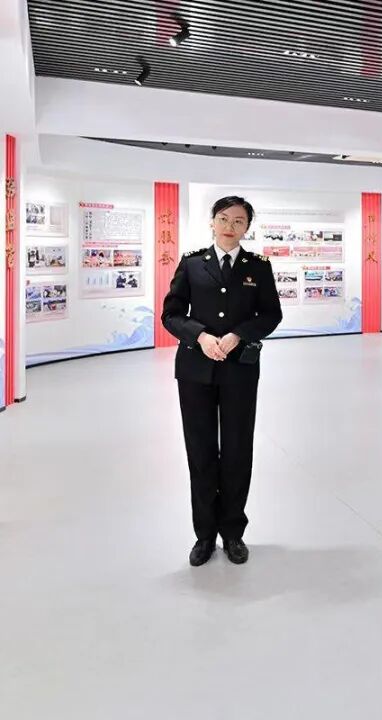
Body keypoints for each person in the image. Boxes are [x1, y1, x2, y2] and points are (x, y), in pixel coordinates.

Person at [162, 196, 282, 567]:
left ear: (248, 227)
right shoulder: (192, 263)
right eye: (224, 218)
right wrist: (199, 336)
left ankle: (233, 534)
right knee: (200, 453)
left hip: (239, 371)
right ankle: (204, 536)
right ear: (212, 222)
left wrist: (238, 335)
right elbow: (171, 314)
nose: (230, 226)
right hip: (195, 370)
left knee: (237, 451)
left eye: (239, 221)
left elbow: (271, 314)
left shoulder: (258, 267)